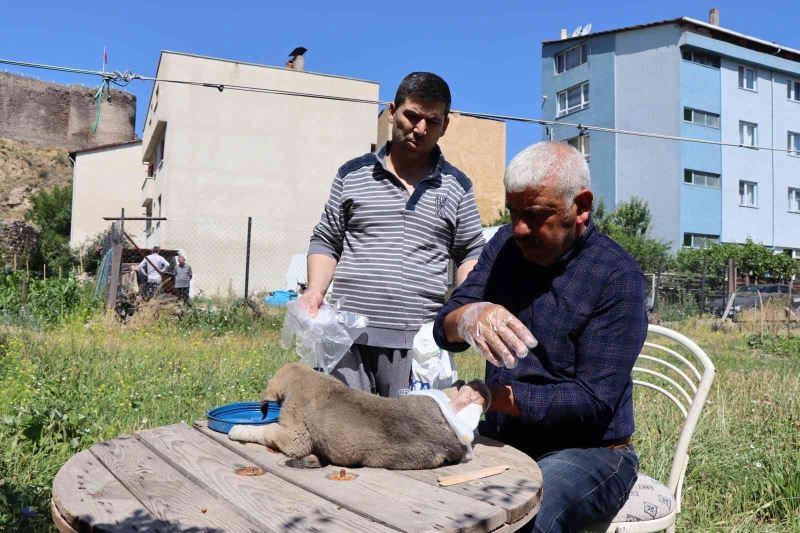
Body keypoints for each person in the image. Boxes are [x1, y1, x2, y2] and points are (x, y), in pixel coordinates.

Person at [434, 141, 648, 532]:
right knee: (428, 496)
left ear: (580, 207)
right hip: (504, 437)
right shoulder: (504, 247)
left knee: (525, 518)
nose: (519, 229)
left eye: (534, 216)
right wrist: (468, 315)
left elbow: (593, 403)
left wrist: (495, 397)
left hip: (591, 451)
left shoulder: (617, 277)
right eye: (513, 213)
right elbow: (444, 327)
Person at [302, 72, 485, 398]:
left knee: (407, 438)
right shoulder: (352, 174)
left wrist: (465, 303)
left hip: (417, 342)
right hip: (347, 338)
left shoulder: (457, 186)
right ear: (392, 111)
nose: (420, 128)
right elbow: (326, 239)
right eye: (412, 116)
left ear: (445, 126)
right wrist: (315, 290)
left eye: (432, 120)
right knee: (346, 433)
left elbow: (470, 250)